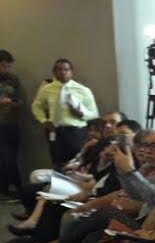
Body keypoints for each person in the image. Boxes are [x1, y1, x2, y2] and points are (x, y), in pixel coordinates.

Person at [31, 58, 98, 164]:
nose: (63, 72)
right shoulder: (46, 89)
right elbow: (36, 106)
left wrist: (81, 113)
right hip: (55, 131)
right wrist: (44, 120)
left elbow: (94, 113)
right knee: (57, 163)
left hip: (76, 132)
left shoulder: (83, 90)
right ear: (54, 72)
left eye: (66, 70)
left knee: (76, 162)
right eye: (59, 69)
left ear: (71, 72)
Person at [0, 50, 25, 200]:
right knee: (5, 157)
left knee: (10, 157)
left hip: (11, 123)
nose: (6, 69)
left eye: (9, 66)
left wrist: (12, 102)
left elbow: (20, 100)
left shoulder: (13, 79)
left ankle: (7, 188)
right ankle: (16, 187)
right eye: (4, 66)